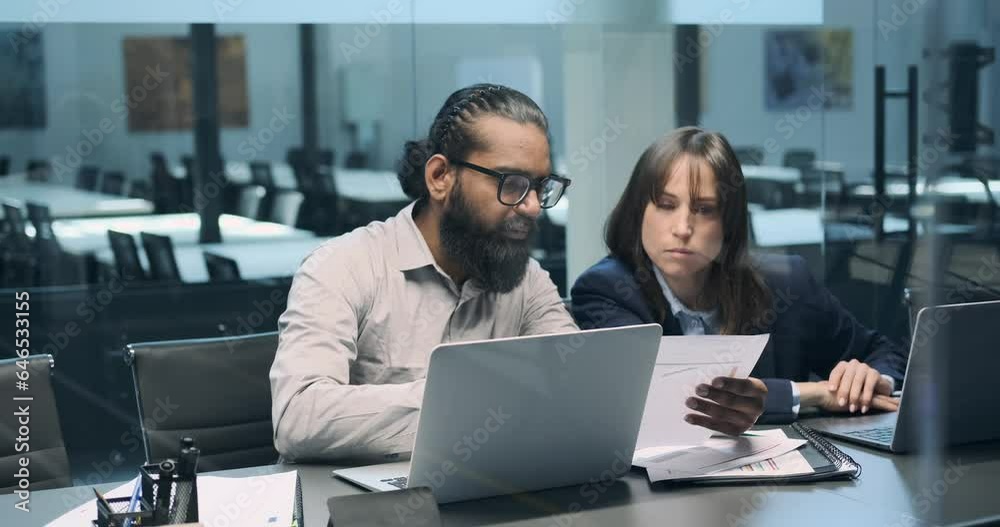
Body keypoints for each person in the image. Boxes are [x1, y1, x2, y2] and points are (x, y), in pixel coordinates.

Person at [571, 127, 907, 427]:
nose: (683, 228)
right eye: (666, 205)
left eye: (704, 209)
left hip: (791, 475)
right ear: (638, 212)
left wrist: (870, 378)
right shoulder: (607, 290)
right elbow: (667, 397)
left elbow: (885, 354)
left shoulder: (787, 283)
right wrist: (814, 393)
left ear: (728, 222)